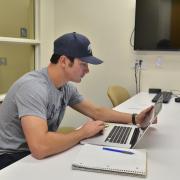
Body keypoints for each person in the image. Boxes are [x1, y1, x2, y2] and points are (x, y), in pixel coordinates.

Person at [0, 32, 153, 170]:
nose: (87, 70)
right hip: (11, 158)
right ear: (64, 61)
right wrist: (82, 133)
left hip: (32, 153)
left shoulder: (65, 88)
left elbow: (96, 112)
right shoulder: (33, 88)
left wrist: (135, 118)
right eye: (83, 64)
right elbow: (40, 147)